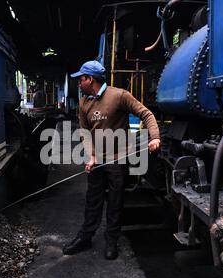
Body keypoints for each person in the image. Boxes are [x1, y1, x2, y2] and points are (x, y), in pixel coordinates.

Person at [63, 60, 161, 260]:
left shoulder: (119, 96)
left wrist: (155, 137)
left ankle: (111, 240)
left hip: (118, 160)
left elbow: (146, 114)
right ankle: (86, 237)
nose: (78, 84)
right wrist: (91, 156)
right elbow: (84, 132)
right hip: (97, 160)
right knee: (93, 200)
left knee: (115, 202)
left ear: (90, 79)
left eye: (81, 79)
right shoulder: (83, 103)